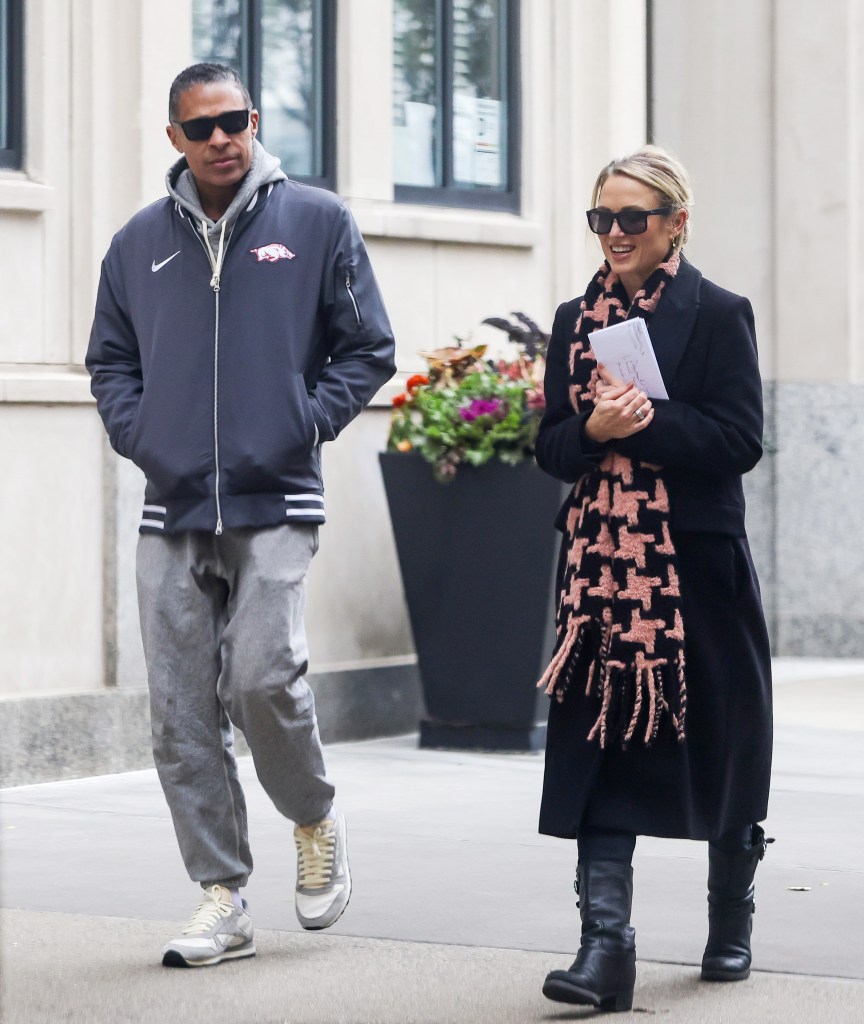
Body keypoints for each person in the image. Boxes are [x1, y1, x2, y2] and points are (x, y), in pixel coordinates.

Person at [86, 63, 396, 968]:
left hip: (278, 496)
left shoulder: (318, 222)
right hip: (172, 504)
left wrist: (301, 424)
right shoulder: (137, 242)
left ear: (254, 121)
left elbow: (367, 347)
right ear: (174, 140)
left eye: (234, 120)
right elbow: (111, 362)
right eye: (201, 126)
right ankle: (219, 896)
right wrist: (148, 439)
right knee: (180, 712)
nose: (221, 138)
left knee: (263, 677)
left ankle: (313, 817)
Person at [534, 145, 772, 1011]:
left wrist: (644, 423)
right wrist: (594, 429)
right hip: (601, 581)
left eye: (633, 218)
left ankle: (731, 920)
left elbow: (739, 441)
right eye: (602, 218)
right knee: (597, 751)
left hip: (694, 569)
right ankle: (607, 953)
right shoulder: (573, 318)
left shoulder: (719, 314)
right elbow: (550, 447)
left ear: (675, 222)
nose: (615, 234)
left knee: (725, 747)